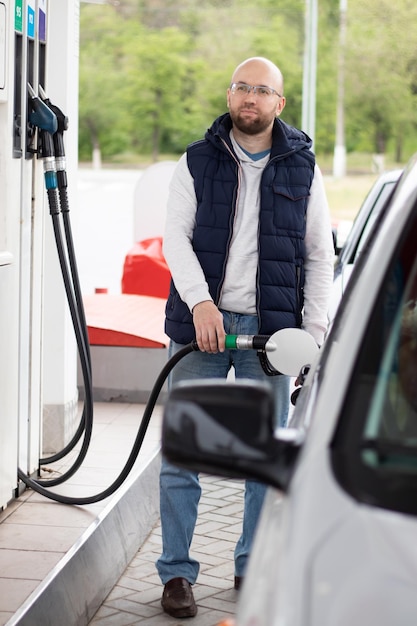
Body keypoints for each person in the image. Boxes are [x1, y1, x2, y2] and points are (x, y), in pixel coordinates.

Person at [157, 56, 334, 618]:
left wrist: (311, 335)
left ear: (280, 103)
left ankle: (252, 565)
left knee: (263, 457)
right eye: (241, 87)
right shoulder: (197, 160)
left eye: (262, 90)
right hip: (199, 330)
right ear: (229, 95)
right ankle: (178, 574)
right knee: (181, 454)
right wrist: (201, 303)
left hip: (271, 337)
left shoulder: (304, 167)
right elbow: (175, 240)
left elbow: (318, 256)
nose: (249, 98)